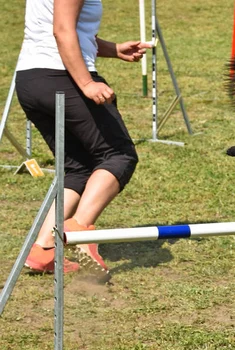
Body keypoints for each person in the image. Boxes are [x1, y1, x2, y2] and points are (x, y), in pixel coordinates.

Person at [15, 0, 151, 274]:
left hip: (31, 79)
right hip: (60, 75)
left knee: (77, 168)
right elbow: (62, 30)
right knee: (118, 155)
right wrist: (87, 83)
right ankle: (78, 228)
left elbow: (70, 28)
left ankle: (43, 250)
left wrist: (113, 49)